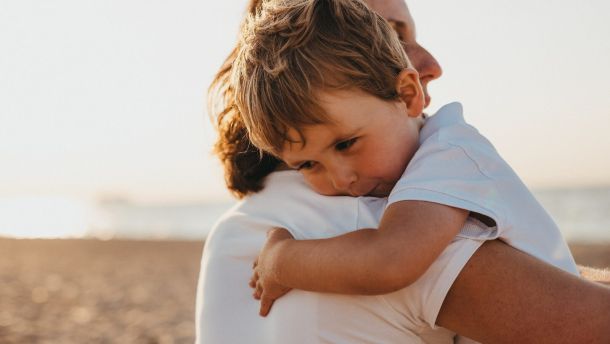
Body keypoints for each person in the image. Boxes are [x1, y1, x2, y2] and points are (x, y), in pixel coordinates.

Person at [196, 0, 610, 343]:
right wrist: (282, 260)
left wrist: (282, 260)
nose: (340, 181)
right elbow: (390, 258)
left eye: (346, 145)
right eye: (391, 35)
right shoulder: (368, 214)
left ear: (406, 94)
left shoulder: (239, 229)